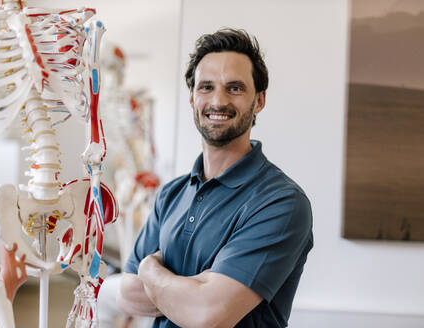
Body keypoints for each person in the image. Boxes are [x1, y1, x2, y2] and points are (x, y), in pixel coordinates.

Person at [117, 28, 313, 328]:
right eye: (206, 87)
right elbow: (127, 296)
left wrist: (150, 269)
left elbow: (208, 314)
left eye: (234, 88)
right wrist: (194, 289)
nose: (218, 101)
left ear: (259, 101)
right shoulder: (171, 194)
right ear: (193, 98)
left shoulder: (282, 202)